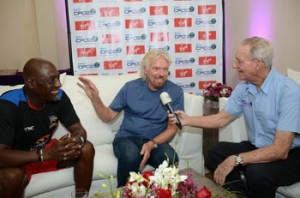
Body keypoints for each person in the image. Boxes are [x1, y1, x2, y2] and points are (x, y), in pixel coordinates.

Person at [169, 37, 300, 197]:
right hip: (258, 146)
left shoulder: (289, 91)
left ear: (258, 63)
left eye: (239, 61)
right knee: (215, 151)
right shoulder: (244, 87)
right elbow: (222, 118)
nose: (234, 66)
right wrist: (188, 119)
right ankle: (239, 195)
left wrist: (236, 159)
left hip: (291, 154)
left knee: (256, 173)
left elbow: (280, 150)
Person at [78, 50, 183, 187]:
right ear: (145, 70)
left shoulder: (175, 91)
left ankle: (160, 192)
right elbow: (108, 116)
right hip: (127, 138)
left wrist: (151, 144)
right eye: (156, 69)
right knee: (131, 155)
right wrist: (95, 99)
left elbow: (173, 127)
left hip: (156, 141)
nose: (162, 74)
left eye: (165, 69)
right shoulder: (130, 88)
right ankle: (125, 192)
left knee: (171, 157)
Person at [0, 58, 95, 198]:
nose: (59, 84)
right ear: (31, 82)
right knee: (12, 175)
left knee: (86, 148)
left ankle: (81, 197)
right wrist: (46, 154)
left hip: (46, 151)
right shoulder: (8, 105)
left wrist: (76, 141)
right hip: (19, 158)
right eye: (52, 80)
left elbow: (78, 129)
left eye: (57, 78)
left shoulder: (59, 96)